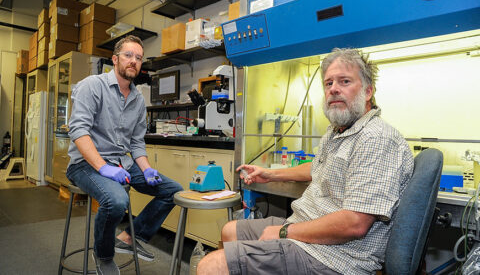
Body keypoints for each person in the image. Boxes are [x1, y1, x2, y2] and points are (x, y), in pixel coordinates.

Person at [196, 48, 414, 275]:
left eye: (345, 81)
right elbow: (318, 166)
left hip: (335, 257)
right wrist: (270, 174)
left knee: (212, 265)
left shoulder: (376, 138)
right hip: (305, 230)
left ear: (368, 91)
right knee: (231, 231)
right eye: (328, 83)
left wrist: (284, 233)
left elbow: (355, 222)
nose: (334, 89)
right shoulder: (338, 131)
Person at [66, 35, 183, 275]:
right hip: (86, 164)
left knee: (173, 191)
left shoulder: (138, 100)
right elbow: (78, 130)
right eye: (128, 55)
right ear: (115, 59)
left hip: (123, 163)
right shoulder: (92, 85)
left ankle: (130, 237)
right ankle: (104, 255)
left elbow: (137, 142)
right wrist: (102, 167)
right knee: (117, 200)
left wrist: (147, 168)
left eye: (138, 58)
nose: (133, 61)